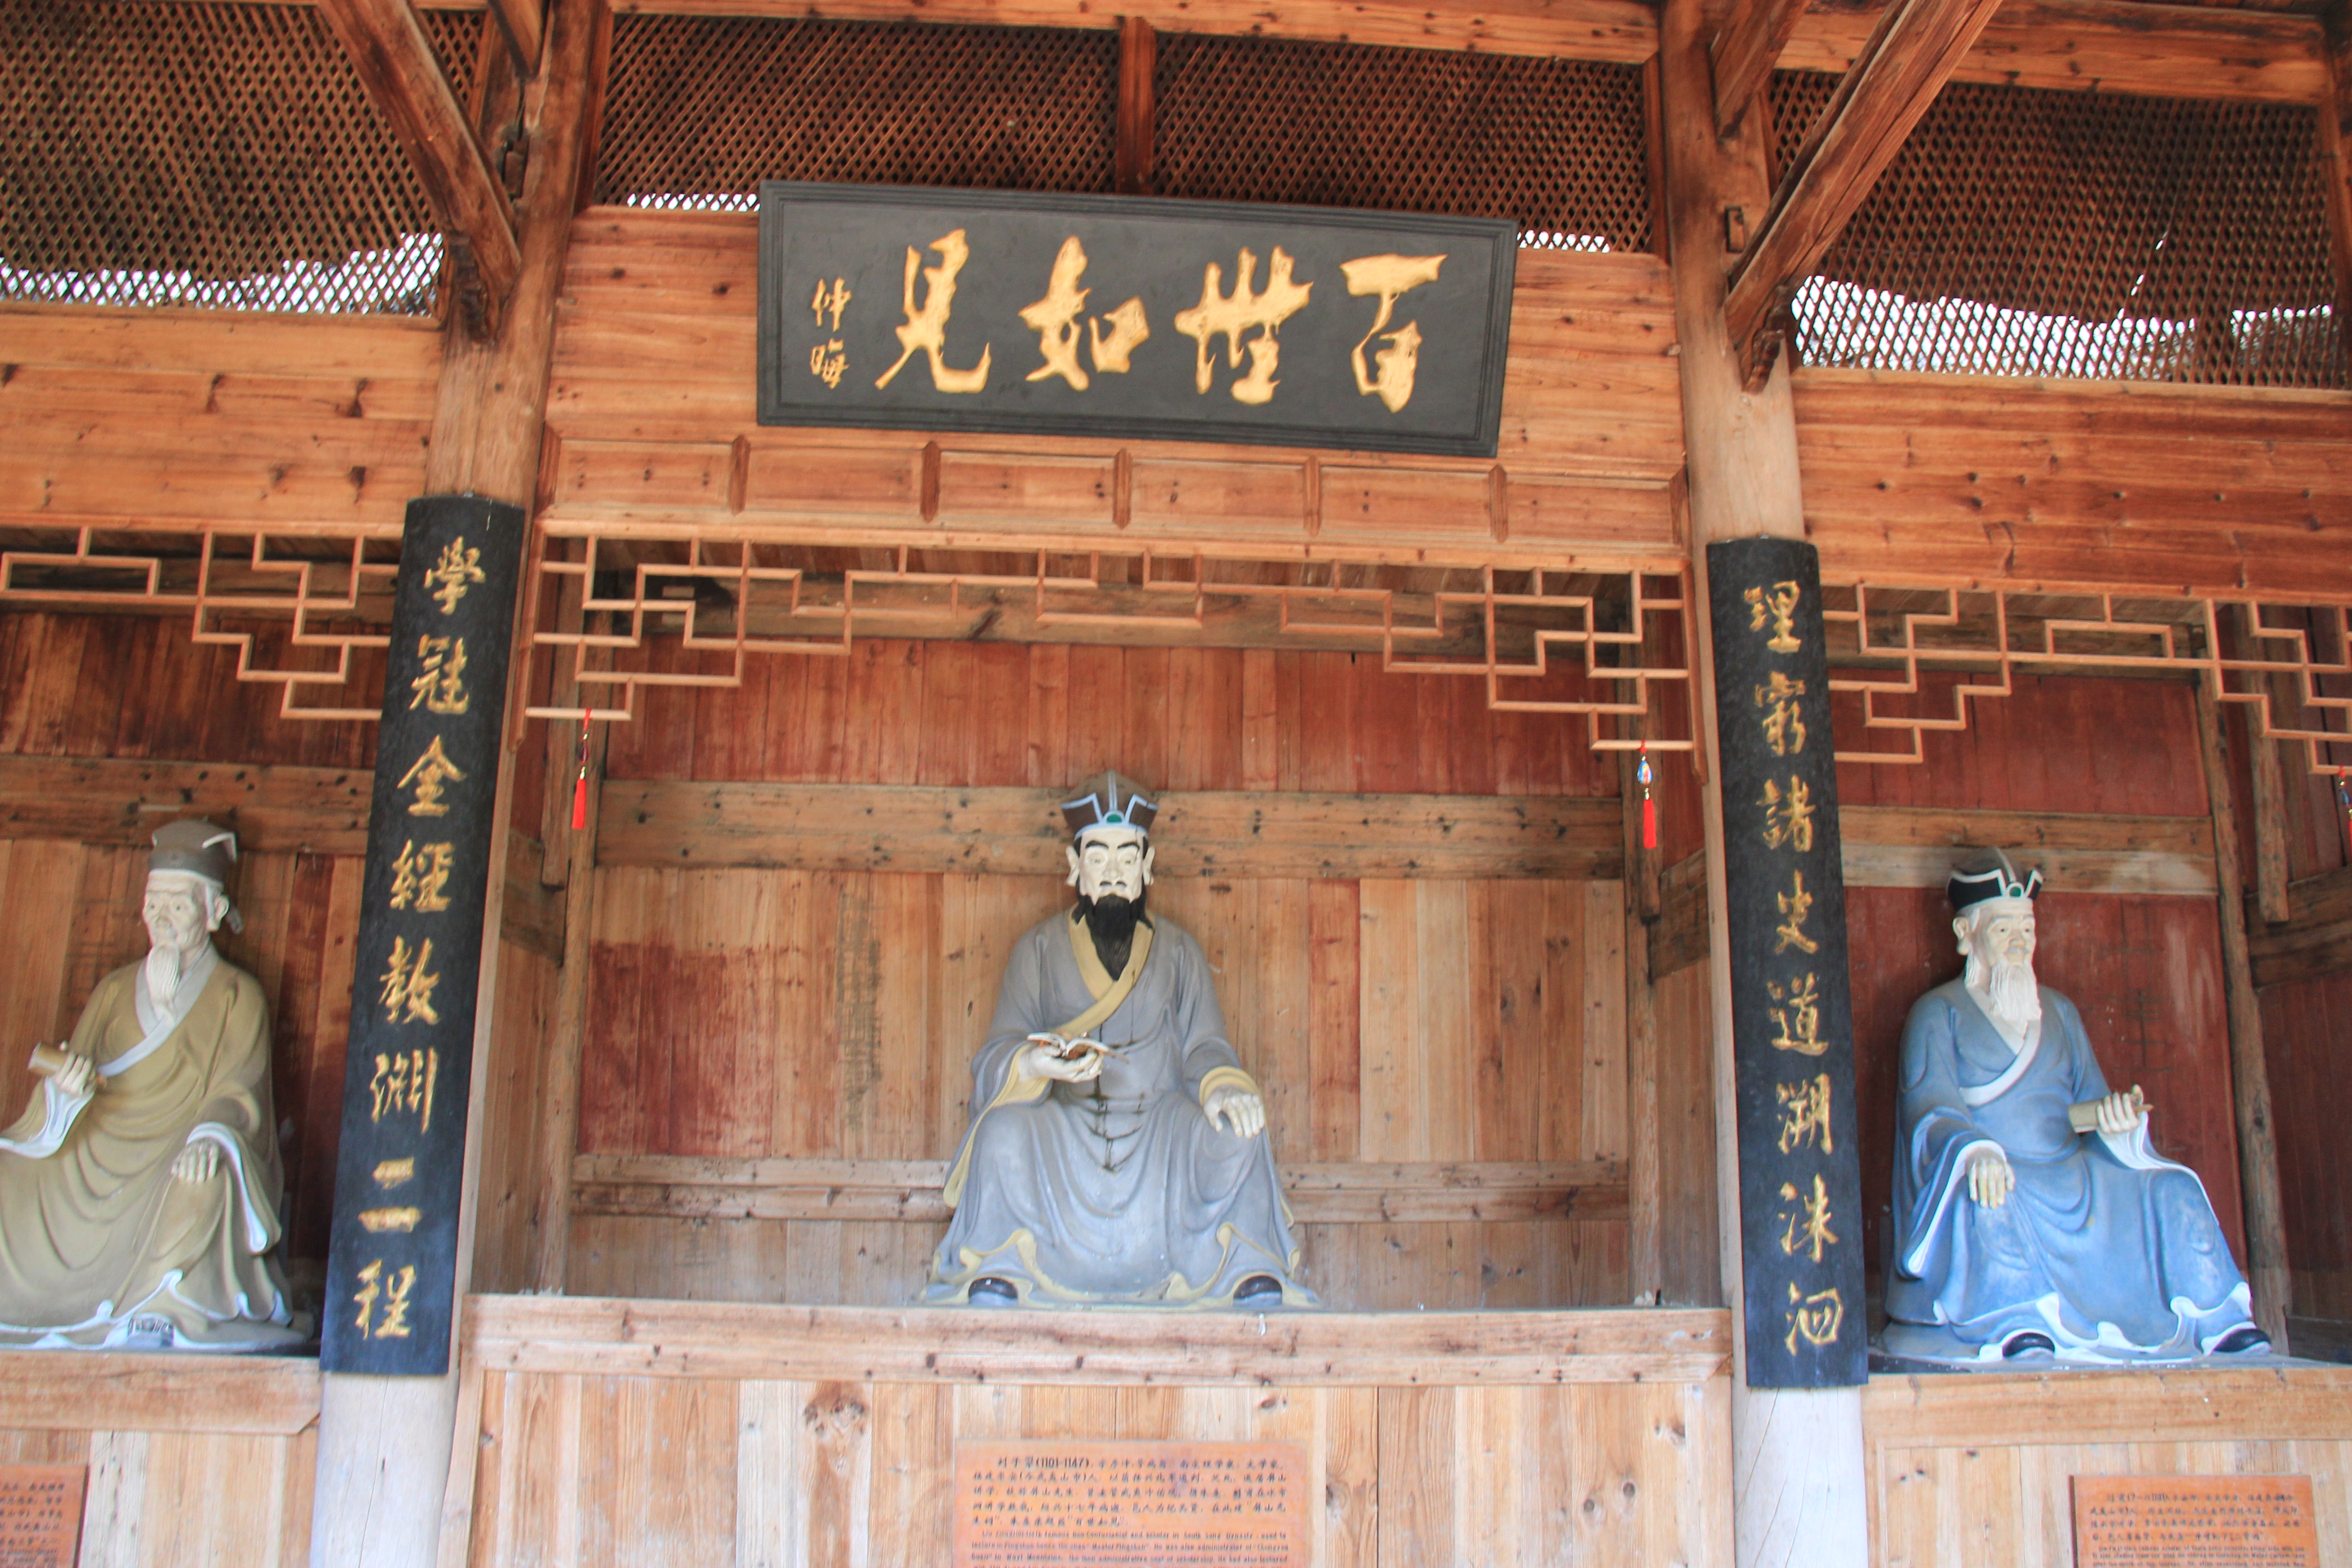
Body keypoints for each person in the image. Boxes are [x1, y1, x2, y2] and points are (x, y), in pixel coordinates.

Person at [928, 772, 1310, 1308]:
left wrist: (1222, 1087)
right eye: (1099, 858)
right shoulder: (1036, 950)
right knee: (1002, 1133)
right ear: (1074, 867)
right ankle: (1004, 1267)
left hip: (1160, 1131)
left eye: (1126, 858)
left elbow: (1205, 1046)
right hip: (1063, 1130)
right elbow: (999, 1050)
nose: (1112, 873)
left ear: (1147, 867)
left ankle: (1243, 1269)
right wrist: (1036, 1066)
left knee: (1240, 1131)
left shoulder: (1179, 952)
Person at [1882, 852, 2266, 1363]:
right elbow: (1930, 1105)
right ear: (1964, 933)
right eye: (2003, 931)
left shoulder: (2060, 1012)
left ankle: (2216, 1315)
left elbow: (2087, 1104)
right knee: (1989, 1192)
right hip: (1999, 1168)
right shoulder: (1937, 1013)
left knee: (2172, 1185)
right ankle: (2014, 1317)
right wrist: (1973, 1149)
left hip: (2075, 1170)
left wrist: (2116, 1120)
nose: (2019, 943)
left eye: (2027, 929)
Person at [0, 820, 303, 1350]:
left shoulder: (239, 995)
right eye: (153, 904)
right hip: (98, 1148)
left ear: (213, 913)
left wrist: (212, 1135)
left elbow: (240, 1091)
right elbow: (80, 1074)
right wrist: (64, 1095)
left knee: (203, 1181)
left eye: (179, 906)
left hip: (177, 1150)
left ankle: (161, 1307)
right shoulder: (115, 991)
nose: (161, 919)